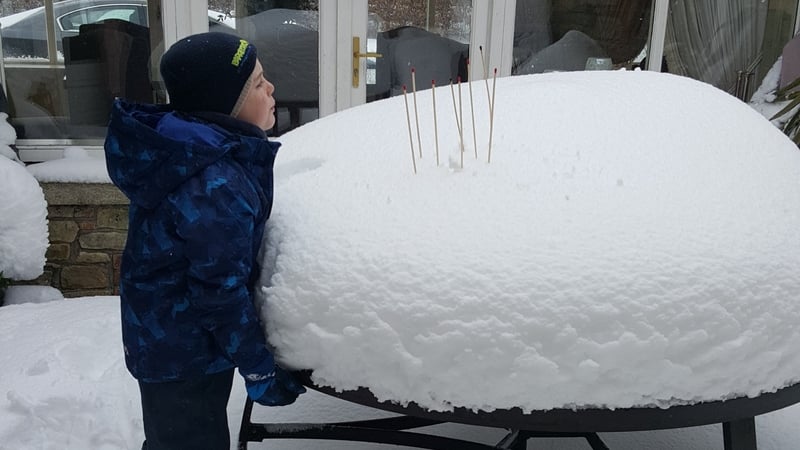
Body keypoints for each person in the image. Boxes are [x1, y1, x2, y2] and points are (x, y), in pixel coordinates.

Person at [104, 32, 306, 450]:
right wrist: (259, 369)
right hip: (183, 354)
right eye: (257, 83)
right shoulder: (213, 182)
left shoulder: (193, 150)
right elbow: (219, 290)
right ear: (225, 103)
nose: (271, 90)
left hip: (170, 341)